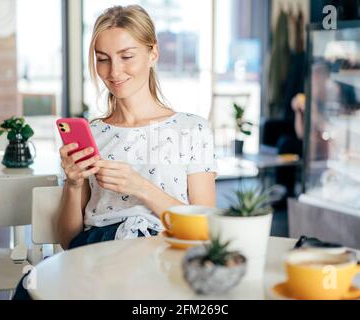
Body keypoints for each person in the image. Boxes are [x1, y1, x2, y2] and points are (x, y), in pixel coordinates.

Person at [13, 4, 217, 299]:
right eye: (103, 59)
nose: (114, 71)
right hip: (95, 250)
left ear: (153, 53)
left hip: (161, 252)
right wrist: (72, 184)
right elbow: (69, 240)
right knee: (30, 288)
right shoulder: (93, 135)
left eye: (127, 56)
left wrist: (141, 187)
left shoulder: (192, 129)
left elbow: (205, 228)